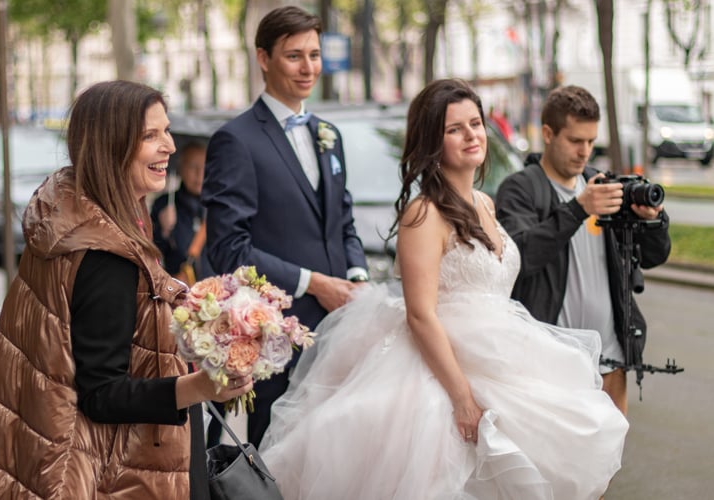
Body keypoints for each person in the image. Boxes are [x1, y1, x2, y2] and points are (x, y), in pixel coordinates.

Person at [259, 78, 629, 499]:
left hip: (501, 352)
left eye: (475, 124)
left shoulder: (485, 203)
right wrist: (461, 397)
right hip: (441, 368)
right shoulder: (423, 213)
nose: (472, 135)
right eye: (455, 129)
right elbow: (420, 314)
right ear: (434, 141)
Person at [0, 80, 252, 499]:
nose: (170, 146)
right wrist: (203, 387)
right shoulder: (104, 253)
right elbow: (101, 393)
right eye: (150, 135)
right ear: (111, 146)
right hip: (108, 473)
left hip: (65, 452)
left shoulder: (80, 214)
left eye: (166, 130)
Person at [201, 5, 368, 448]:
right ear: (263, 58)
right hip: (277, 342)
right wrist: (314, 284)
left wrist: (357, 277)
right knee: (275, 460)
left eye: (314, 55)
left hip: (342, 333)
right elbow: (229, 248)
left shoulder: (329, 134)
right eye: (294, 56)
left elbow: (343, 220)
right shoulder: (235, 141)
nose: (308, 67)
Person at [495, 85, 671, 414]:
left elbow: (654, 257)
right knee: (554, 447)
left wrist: (653, 221)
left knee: (611, 448)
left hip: (610, 361)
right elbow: (520, 257)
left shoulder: (602, 185)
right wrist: (579, 208)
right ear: (548, 134)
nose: (585, 152)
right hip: (550, 362)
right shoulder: (520, 189)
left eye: (591, 141)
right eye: (575, 141)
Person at [151, 141, 213, 285]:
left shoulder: (218, 207)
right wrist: (163, 231)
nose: (199, 174)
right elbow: (152, 254)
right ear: (181, 167)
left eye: (205, 167)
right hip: (179, 288)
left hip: (213, 288)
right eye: (193, 166)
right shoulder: (164, 204)